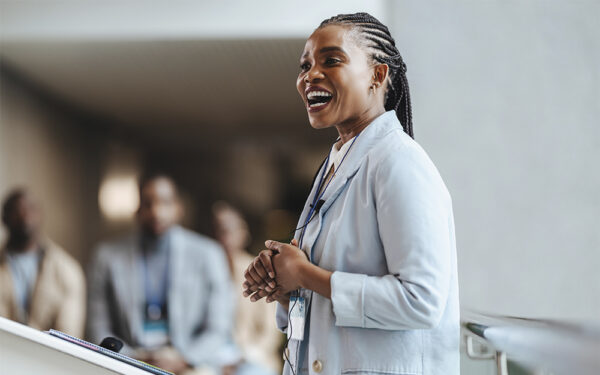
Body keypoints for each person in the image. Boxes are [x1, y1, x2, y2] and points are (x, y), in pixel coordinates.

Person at [242, 13, 459, 375]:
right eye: (305, 65)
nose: (310, 75)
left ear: (378, 75)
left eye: (331, 60)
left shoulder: (400, 163)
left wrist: (306, 274)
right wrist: (285, 284)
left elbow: (421, 302)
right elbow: (328, 296)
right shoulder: (336, 164)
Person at [87, 174, 236, 375]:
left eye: (165, 203)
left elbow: (219, 327)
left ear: (178, 208)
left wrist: (184, 359)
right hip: (127, 359)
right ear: (138, 210)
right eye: (148, 204)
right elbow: (98, 327)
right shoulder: (107, 257)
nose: (156, 212)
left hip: (188, 361)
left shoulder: (208, 254)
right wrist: (134, 358)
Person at [0, 188, 85, 337]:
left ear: (41, 215)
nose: (24, 216)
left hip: (47, 358)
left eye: (30, 209)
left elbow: (69, 336)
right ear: (4, 218)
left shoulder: (68, 270)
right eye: (16, 210)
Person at [212, 202, 282, 374]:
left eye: (229, 231)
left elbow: (271, 330)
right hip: (213, 356)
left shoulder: (258, 272)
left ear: (243, 234)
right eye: (218, 231)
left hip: (250, 357)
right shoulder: (206, 272)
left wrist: (243, 356)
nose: (224, 238)